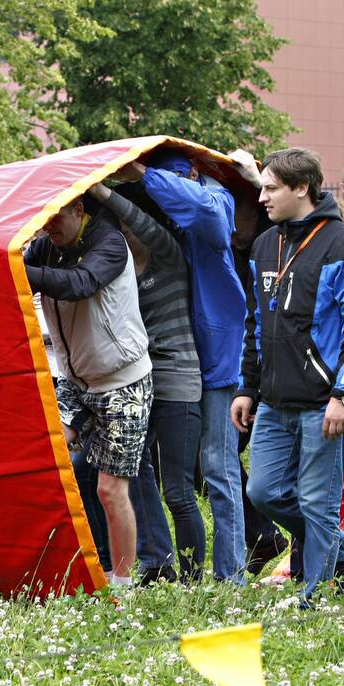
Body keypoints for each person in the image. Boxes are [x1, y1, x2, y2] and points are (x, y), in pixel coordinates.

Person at [232, 147, 344, 605]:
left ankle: (315, 595)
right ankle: (343, 552)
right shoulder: (263, 244)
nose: (262, 198)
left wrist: (343, 395)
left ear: (301, 188)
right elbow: (256, 322)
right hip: (274, 399)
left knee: (317, 503)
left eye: (271, 188)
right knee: (264, 492)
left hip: (324, 401)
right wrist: (247, 387)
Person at [113, 148, 248, 583]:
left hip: (215, 359)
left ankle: (230, 576)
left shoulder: (212, 198)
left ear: (190, 171)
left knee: (217, 469)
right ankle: (162, 560)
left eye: (169, 178)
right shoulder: (162, 222)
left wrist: (144, 174)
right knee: (144, 466)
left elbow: (204, 214)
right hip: (172, 365)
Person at [24, 194, 152, 589]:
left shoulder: (109, 242)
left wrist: (20, 271)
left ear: (79, 210)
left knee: (110, 489)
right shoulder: (49, 244)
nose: (48, 227)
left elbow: (80, 283)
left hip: (122, 381)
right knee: (47, 458)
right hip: (75, 380)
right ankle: (82, 561)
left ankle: (124, 583)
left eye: (55, 218)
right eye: (42, 220)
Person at [85, 181, 201, 582]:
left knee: (180, 492)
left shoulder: (168, 256)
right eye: (119, 227)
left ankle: (192, 580)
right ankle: (157, 562)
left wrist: (102, 192)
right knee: (128, 471)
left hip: (179, 381)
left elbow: (145, 226)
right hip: (143, 382)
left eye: (129, 224)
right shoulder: (117, 268)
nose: (127, 231)